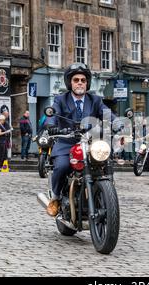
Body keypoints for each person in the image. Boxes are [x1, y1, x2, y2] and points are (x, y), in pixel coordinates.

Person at [45, 63, 116, 217]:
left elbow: (107, 114)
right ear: (70, 82)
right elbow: (52, 115)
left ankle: (107, 197)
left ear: (87, 83)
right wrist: (52, 126)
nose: (79, 83)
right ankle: (56, 197)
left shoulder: (95, 100)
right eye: (76, 79)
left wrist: (117, 123)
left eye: (83, 80)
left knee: (106, 162)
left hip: (90, 144)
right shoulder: (61, 99)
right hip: (66, 143)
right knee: (62, 166)